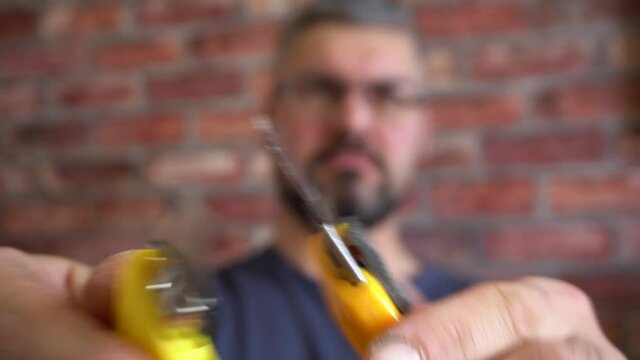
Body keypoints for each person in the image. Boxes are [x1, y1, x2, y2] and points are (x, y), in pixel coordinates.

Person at [0, 1, 626, 359]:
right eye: (322, 90)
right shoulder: (184, 311)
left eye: (388, 95)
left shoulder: (512, 341)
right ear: (272, 114)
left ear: (427, 128)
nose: (352, 120)